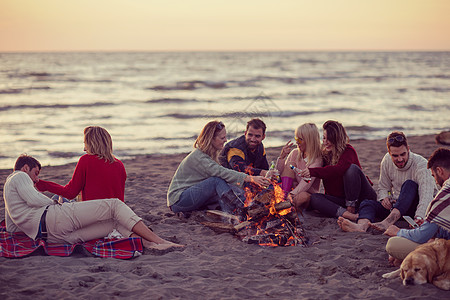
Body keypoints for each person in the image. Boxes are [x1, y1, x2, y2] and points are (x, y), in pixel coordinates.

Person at [3, 155, 182, 250]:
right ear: (25, 168)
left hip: (52, 237)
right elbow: (34, 198)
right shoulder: (19, 176)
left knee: (113, 223)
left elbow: (11, 228)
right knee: (114, 205)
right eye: (35, 174)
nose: (36, 181)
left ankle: (149, 244)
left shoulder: (9, 194)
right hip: (53, 219)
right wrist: (58, 205)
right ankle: (159, 240)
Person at [338, 131, 437, 233]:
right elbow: (384, 187)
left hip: (417, 208)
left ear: (408, 149)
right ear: (389, 153)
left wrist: (419, 217)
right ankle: (361, 227)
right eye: (395, 156)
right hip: (397, 208)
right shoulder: (387, 160)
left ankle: (386, 223)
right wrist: (385, 198)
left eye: (403, 154)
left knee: (409, 184)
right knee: (367, 203)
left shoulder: (421, 164)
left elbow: (427, 196)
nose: (400, 159)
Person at [167, 121, 270, 217]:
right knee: (216, 181)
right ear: (211, 139)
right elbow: (221, 172)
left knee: (225, 188)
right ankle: (244, 208)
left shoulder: (210, 154)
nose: (225, 140)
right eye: (222, 138)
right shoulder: (200, 157)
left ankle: (235, 213)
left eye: (225, 137)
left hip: (192, 195)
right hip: (178, 201)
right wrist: (251, 178)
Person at [384, 148, 450, 265]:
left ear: (439, 171)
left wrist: (398, 232)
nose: (435, 181)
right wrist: (433, 229)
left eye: (433, 176)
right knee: (431, 238)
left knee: (393, 244)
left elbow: (420, 236)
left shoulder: (445, 193)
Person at [300, 120, 377, 221]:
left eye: (329, 139)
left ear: (337, 139)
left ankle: (351, 207)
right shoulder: (325, 155)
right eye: (324, 138)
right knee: (314, 198)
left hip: (362, 196)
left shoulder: (348, 150)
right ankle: (347, 214)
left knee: (351, 169)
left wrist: (312, 171)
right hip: (341, 200)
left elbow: (338, 170)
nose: (325, 142)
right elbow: (311, 160)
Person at [36, 126, 126, 202]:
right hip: (115, 215)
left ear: (93, 144)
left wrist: (43, 185)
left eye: (86, 144)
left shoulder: (86, 160)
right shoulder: (120, 164)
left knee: (57, 198)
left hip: (93, 215)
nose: (84, 149)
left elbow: (70, 193)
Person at [276, 123, 323, 211]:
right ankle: (282, 199)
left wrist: (292, 194)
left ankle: (287, 208)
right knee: (291, 165)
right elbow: (280, 174)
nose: (297, 142)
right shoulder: (295, 153)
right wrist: (282, 157)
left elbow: (306, 183)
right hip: (289, 191)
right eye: (296, 138)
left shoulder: (317, 160)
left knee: (303, 196)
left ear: (309, 141)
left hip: (306, 193)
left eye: (300, 139)